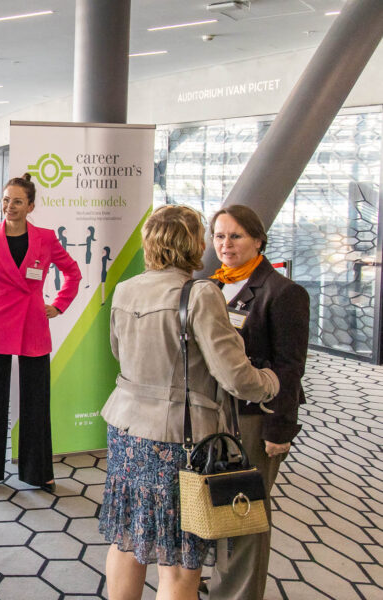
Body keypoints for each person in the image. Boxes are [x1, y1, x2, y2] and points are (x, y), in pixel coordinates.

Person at [99, 204, 280, 600]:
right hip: (177, 441)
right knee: (181, 562)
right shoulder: (199, 294)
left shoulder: (126, 289)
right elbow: (235, 376)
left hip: (126, 431)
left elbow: (118, 351)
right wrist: (270, 382)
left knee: (127, 539)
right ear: (193, 244)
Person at [206, 205, 309, 600]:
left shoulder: (283, 293)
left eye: (236, 236)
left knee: (244, 511)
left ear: (258, 240)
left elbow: (290, 367)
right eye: (219, 236)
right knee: (218, 504)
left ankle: (239, 593)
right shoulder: (211, 285)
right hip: (215, 413)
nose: (226, 244)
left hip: (255, 418)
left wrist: (280, 430)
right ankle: (222, 581)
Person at [0, 173, 81, 492]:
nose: (10, 206)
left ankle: (38, 472)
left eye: (17, 201)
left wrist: (59, 305)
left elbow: (73, 273)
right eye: (6, 200)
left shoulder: (46, 238)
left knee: (35, 401)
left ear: (30, 206)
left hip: (33, 324)